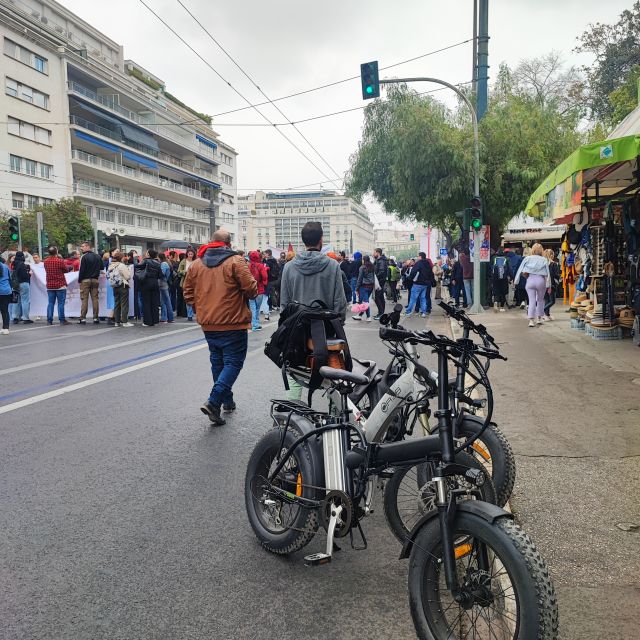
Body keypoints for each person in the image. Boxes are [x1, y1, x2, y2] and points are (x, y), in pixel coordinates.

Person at [183, 229, 258, 426]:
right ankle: (214, 401)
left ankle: (227, 400)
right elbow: (251, 290)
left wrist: (200, 307)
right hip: (233, 321)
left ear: (211, 242)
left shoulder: (197, 264)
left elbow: (187, 292)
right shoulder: (236, 261)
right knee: (233, 362)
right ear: (228, 244)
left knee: (218, 361)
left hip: (208, 322)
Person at [280, 222, 347, 401]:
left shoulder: (289, 267)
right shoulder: (333, 266)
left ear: (303, 241)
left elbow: (285, 305)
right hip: (326, 332)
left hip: (297, 332)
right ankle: (335, 420)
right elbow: (339, 302)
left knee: (294, 373)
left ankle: (292, 415)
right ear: (321, 240)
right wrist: (338, 323)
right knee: (334, 376)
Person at [514, 243, 551, 328]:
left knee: (531, 301)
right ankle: (539, 318)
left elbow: (521, 270)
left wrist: (516, 281)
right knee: (540, 300)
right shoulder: (544, 259)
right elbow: (547, 274)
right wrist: (548, 284)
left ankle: (531, 320)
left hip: (530, 281)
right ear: (541, 250)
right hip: (541, 281)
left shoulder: (527, 258)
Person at [43, 246, 70, 325]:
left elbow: (46, 269)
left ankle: (49, 320)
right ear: (56, 252)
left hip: (50, 285)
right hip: (60, 284)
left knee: (50, 303)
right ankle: (62, 320)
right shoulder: (60, 261)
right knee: (61, 303)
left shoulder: (46, 261)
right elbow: (66, 270)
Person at [135, 249, 162, 327]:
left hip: (146, 283)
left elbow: (137, 266)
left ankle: (147, 321)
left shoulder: (146, 261)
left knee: (146, 302)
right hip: (155, 283)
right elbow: (161, 275)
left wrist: (134, 259)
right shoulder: (158, 263)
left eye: (146, 252)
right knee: (154, 303)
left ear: (149, 254)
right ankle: (155, 320)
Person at [78, 241, 102, 324]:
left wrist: (79, 280)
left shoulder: (84, 257)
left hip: (85, 280)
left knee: (84, 299)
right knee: (95, 299)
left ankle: (83, 318)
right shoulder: (98, 256)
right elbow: (101, 268)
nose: (81, 248)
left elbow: (82, 270)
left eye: (83, 246)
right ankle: (96, 317)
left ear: (88, 247)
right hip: (95, 280)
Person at [405, 252, 435, 317]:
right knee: (423, 298)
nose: (418, 258)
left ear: (420, 257)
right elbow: (431, 274)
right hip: (426, 284)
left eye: (418, 256)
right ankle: (424, 312)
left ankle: (408, 312)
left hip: (418, 283)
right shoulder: (428, 264)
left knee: (413, 298)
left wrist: (409, 278)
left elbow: (413, 272)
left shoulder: (419, 263)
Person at [107, 250, 133, 327]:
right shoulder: (121, 265)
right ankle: (125, 321)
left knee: (117, 304)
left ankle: (117, 322)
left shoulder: (110, 265)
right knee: (124, 304)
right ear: (121, 258)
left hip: (114, 286)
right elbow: (128, 276)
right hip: (122, 285)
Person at [9, 251, 32, 324]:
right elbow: (24, 276)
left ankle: (15, 317)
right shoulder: (22, 264)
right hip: (23, 283)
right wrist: (29, 274)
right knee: (25, 301)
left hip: (15, 285)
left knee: (16, 301)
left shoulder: (13, 264)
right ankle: (25, 318)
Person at [248, 250, 268, 331]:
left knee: (252, 308)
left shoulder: (248, 266)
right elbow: (265, 276)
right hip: (259, 289)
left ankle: (254, 324)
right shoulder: (260, 266)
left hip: (250, 289)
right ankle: (256, 323)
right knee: (257, 308)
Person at [353, 255, 375, 322]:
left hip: (364, 286)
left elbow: (359, 279)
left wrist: (356, 289)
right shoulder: (372, 266)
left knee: (365, 302)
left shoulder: (362, 267)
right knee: (365, 301)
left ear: (364, 260)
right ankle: (360, 315)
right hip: (371, 286)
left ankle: (368, 317)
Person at [178, 249, 197, 321]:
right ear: (187, 254)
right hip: (185, 281)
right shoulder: (183, 261)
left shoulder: (196, 262)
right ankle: (189, 315)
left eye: (191, 254)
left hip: (194, 282)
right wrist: (185, 272)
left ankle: (194, 312)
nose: (190, 256)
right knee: (188, 297)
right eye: (189, 254)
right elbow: (179, 271)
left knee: (195, 298)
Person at [158, 253, 174, 324]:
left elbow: (162, 274)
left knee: (165, 302)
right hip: (165, 284)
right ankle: (167, 318)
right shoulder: (167, 263)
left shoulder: (164, 264)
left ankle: (167, 318)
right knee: (165, 301)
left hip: (163, 284)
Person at [543, 248, 560, 321]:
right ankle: (542, 311)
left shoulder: (543, 264)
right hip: (551, 284)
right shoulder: (554, 264)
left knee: (547, 300)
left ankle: (547, 315)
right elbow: (556, 275)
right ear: (551, 255)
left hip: (543, 284)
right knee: (552, 301)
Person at [373, 248, 388, 320]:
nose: (373, 254)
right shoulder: (379, 260)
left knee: (377, 297)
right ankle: (381, 313)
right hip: (380, 280)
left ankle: (381, 313)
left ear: (378, 253)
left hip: (380, 281)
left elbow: (381, 271)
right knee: (380, 297)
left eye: (374, 252)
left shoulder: (381, 261)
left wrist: (376, 277)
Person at [263, 249, 280, 313]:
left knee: (271, 293)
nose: (264, 255)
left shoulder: (268, 262)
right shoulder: (275, 260)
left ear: (268, 254)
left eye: (265, 254)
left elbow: (266, 271)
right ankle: (277, 304)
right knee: (276, 292)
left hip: (270, 279)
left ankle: (274, 305)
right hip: (276, 279)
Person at [0, 256, 12, 335]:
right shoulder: (5, 266)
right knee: (5, 310)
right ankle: (6, 328)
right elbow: (9, 278)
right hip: (6, 290)